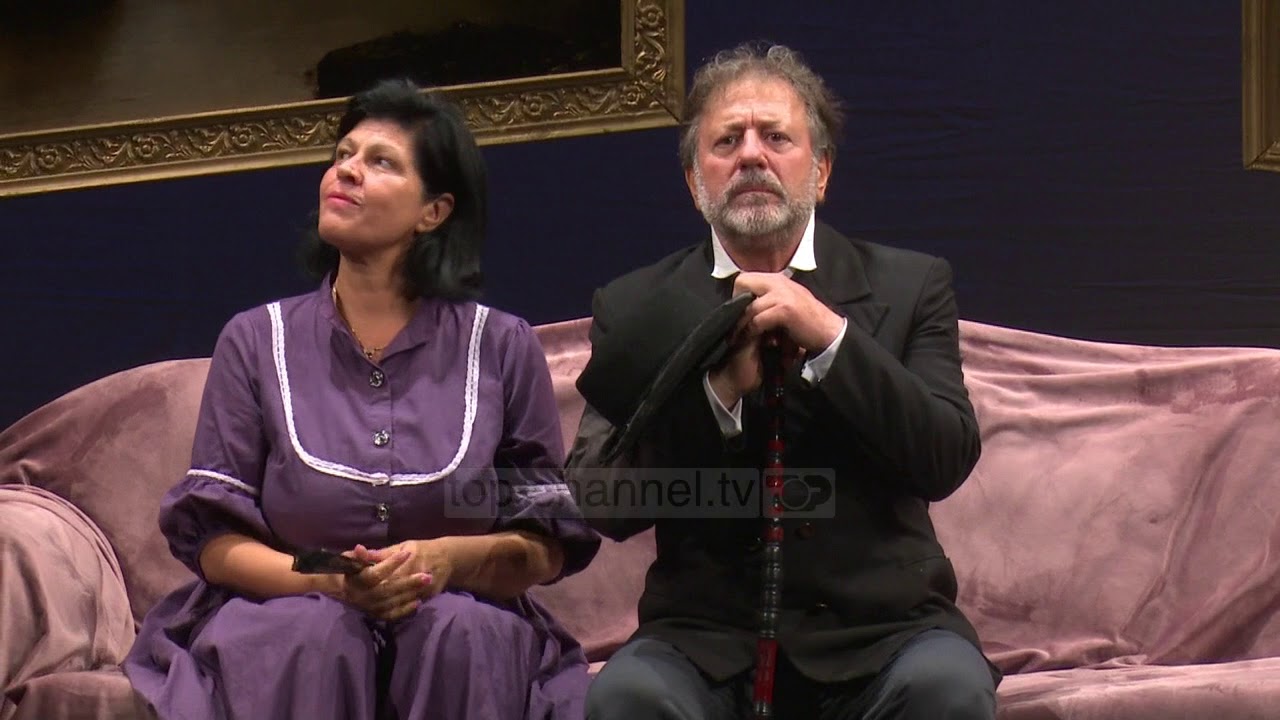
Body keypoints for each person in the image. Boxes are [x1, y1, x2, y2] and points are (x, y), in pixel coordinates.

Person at [123, 79, 601, 720]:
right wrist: (328, 583)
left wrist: (445, 560)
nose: (345, 170)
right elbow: (214, 539)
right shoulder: (256, 339)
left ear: (433, 212)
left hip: (460, 615)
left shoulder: (501, 345)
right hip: (290, 609)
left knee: (462, 632)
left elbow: (545, 545)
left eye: (381, 162)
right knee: (312, 633)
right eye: (343, 154)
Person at [566, 43, 999, 719]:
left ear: (820, 171)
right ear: (694, 182)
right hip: (703, 644)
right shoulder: (635, 306)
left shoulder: (910, 286)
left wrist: (830, 338)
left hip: (884, 633)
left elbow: (944, 456)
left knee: (950, 690)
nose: (750, 155)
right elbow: (600, 495)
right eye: (726, 141)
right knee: (625, 699)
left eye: (776, 137)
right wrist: (718, 394)